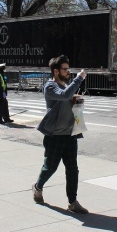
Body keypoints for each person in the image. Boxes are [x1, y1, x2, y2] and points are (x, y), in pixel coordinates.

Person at [33, 55, 89, 214]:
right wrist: (79, 78)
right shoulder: (50, 87)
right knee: (50, 167)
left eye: (68, 69)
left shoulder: (66, 85)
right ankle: (37, 187)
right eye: (65, 69)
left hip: (70, 135)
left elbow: (68, 97)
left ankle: (72, 201)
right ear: (56, 71)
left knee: (72, 169)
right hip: (54, 136)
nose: (68, 72)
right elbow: (64, 95)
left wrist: (76, 101)